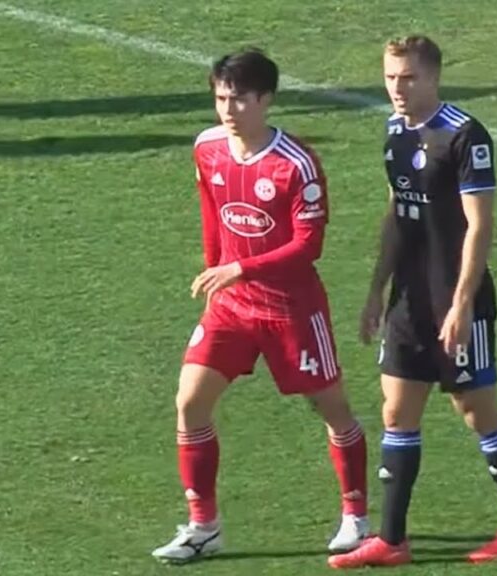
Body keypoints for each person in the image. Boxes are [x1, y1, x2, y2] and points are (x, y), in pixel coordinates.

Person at [328, 35, 497, 569]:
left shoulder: (464, 135)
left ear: (434, 77)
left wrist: (464, 303)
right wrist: (377, 289)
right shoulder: (395, 131)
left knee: (477, 411)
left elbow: (479, 225)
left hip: (457, 299)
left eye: (409, 78)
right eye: (390, 77)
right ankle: (392, 540)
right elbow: (398, 212)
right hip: (408, 300)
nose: (397, 89)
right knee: (396, 411)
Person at [151, 48, 369, 563]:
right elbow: (212, 210)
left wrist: (240, 268)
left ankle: (356, 516)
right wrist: (215, 271)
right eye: (221, 97)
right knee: (190, 403)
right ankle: (204, 526)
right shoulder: (207, 148)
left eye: (240, 99)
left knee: (330, 408)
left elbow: (307, 246)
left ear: (266, 99)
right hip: (230, 306)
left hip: (291, 309)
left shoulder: (296, 164)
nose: (229, 110)